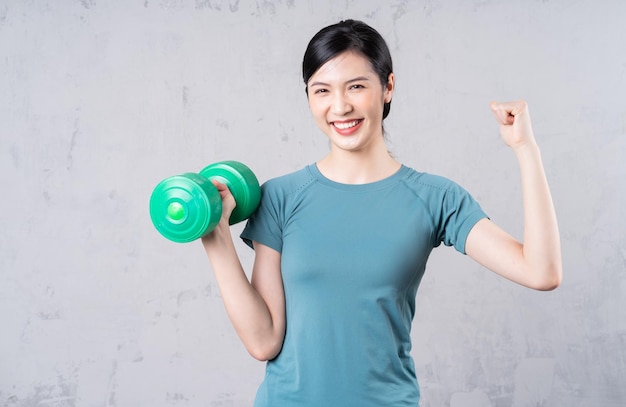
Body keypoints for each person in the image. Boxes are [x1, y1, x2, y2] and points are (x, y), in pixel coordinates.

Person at [201, 19, 562, 407]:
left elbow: (540, 272)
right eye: (322, 90)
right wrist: (216, 235)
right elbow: (263, 340)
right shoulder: (281, 197)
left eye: (356, 86)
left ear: (388, 87)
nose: (339, 107)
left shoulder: (435, 198)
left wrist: (526, 150)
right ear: (308, 97)